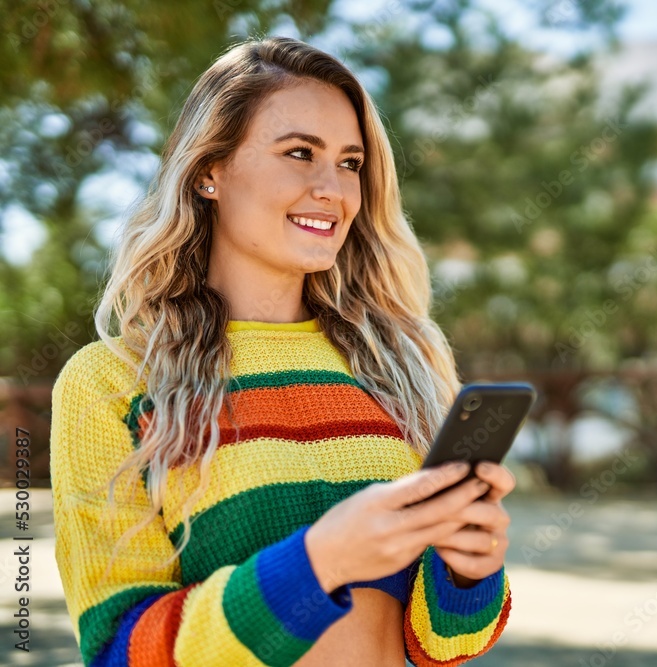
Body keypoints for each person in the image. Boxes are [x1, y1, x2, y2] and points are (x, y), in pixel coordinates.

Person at [49, 36, 514, 667]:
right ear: (208, 171)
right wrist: (319, 563)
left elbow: (445, 647)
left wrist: (468, 573)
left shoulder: (399, 368)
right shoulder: (113, 382)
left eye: (351, 163)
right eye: (301, 153)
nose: (334, 190)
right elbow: (117, 652)